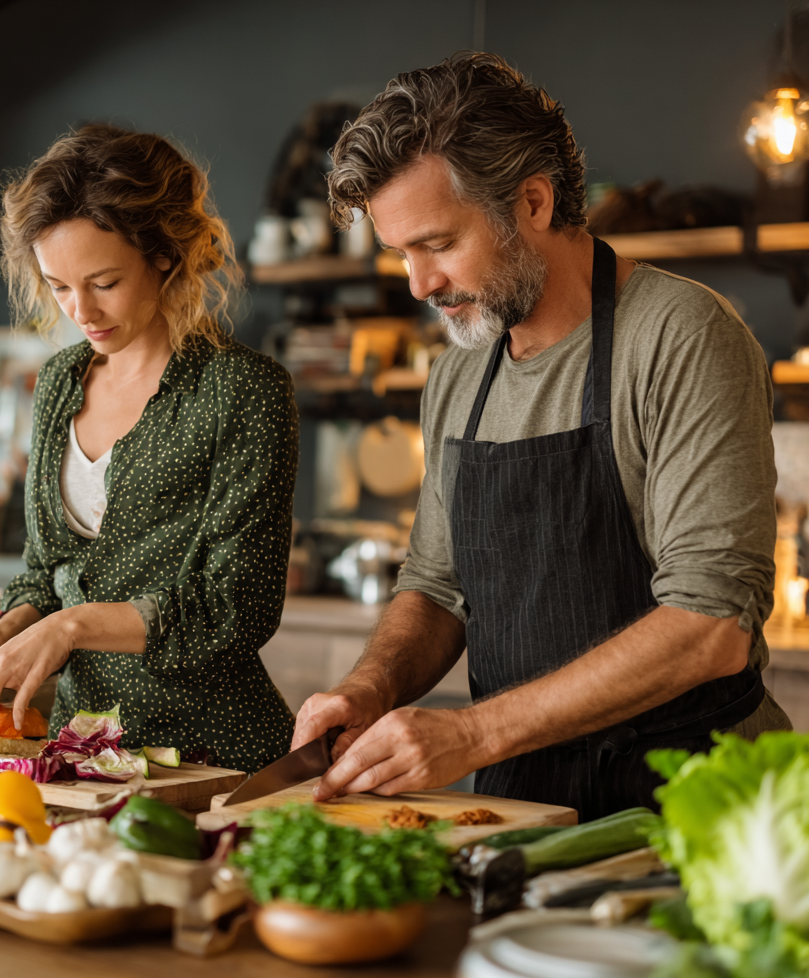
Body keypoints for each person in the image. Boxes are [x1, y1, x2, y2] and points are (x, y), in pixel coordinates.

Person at [293, 53, 790, 820]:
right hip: (523, 806)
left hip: (693, 804)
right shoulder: (460, 376)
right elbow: (435, 587)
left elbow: (710, 626)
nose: (420, 284)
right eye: (402, 254)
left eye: (438, 243)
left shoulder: (682, 338)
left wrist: (474, 732)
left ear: (532, 201)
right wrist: (369, 688)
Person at [0, 125, 299, 773]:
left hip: (215, 754)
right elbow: (47, 570)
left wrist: (70, 627)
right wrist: (1, 632)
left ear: (164, 255)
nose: (80, 310)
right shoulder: (59, 384)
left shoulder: (240, 390)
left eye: (103, 281)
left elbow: (236, 607)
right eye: (59, 286)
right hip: (80, 754)